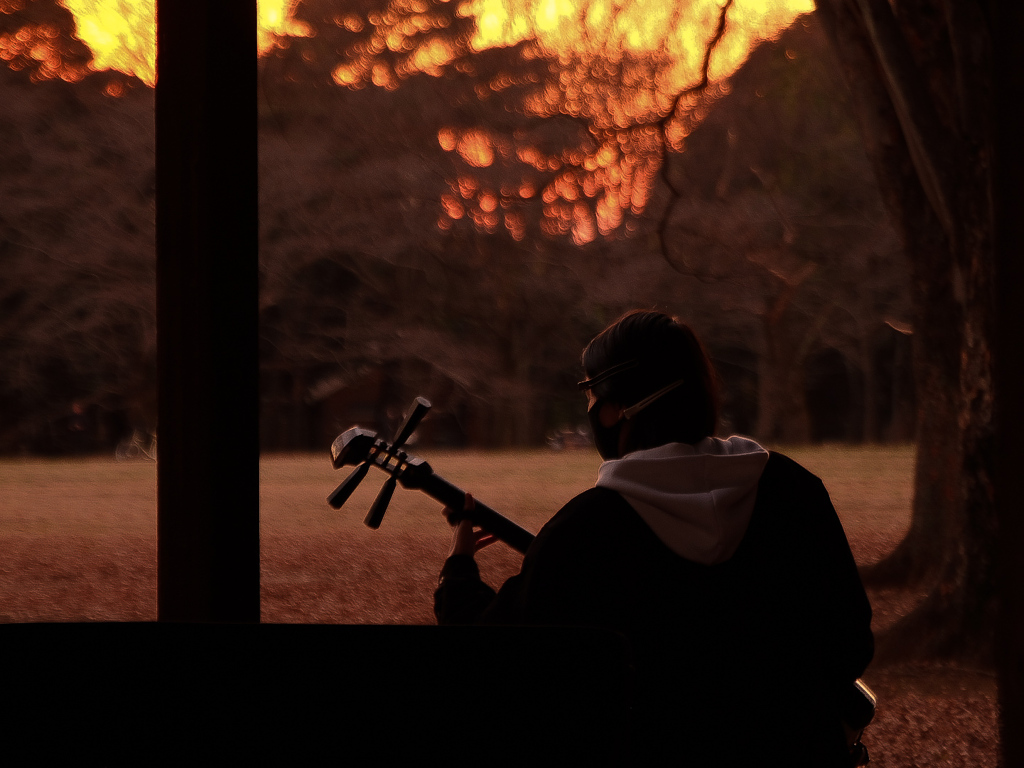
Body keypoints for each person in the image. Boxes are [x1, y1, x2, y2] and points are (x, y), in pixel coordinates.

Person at [434, 310, 874, 766]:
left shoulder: (585, 530)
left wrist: (459, 572)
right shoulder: (793, 490)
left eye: (591, 393)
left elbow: (489, 658)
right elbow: (851, 642)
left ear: (617, 405)